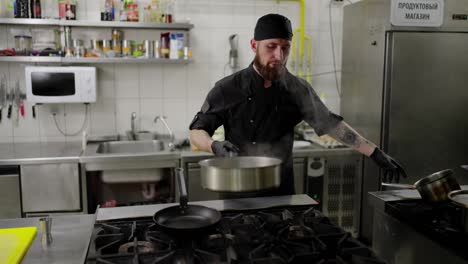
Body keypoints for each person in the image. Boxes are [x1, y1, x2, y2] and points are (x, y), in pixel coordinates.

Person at [189, 13, 406, 196]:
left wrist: (374, 153)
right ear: (254, 45)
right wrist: (213, 145)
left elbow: (332, 125)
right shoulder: (228, 88)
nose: (279, 56)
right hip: (236, 190)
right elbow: (197, 130)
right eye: (271, 47)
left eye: (285, 48)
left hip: (280, 192)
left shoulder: (297, 89)